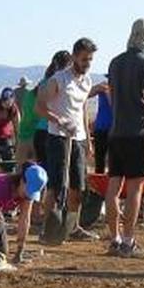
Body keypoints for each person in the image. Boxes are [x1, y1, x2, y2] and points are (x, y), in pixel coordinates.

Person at [104, 18, 144, 259]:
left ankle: (114, 239)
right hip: (137, 132)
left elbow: (112, 96)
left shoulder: (115, 63)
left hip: (116, 132)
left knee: (113, 186)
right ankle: (128, 241)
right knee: (135, 187)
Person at [37, 37, 97, 239]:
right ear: (73, 57)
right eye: (83, 59)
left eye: (89, 60)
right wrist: (60, 121)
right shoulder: (59, 80)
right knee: (56, 185)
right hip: (58, 138)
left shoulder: (87, 81)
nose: (86, 64)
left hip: (78, 138)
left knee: (78, 187)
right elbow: (40, 107)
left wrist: (88, 139)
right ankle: (49, 229)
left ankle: (72, 227)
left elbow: (83, 110)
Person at [14, 76, 39, 166]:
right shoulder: (29, 93)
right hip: (33, 129)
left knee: (21, 163)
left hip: (23, 124)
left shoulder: (16, 92)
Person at [92, 82, 112, 174]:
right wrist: (96, 88)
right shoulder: (103, 87)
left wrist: (109, 94)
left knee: (114, 162)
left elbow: (114, 106)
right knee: (100, 160)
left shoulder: (121, 89)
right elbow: (85, 94)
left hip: (114, 129)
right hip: (100, 128)